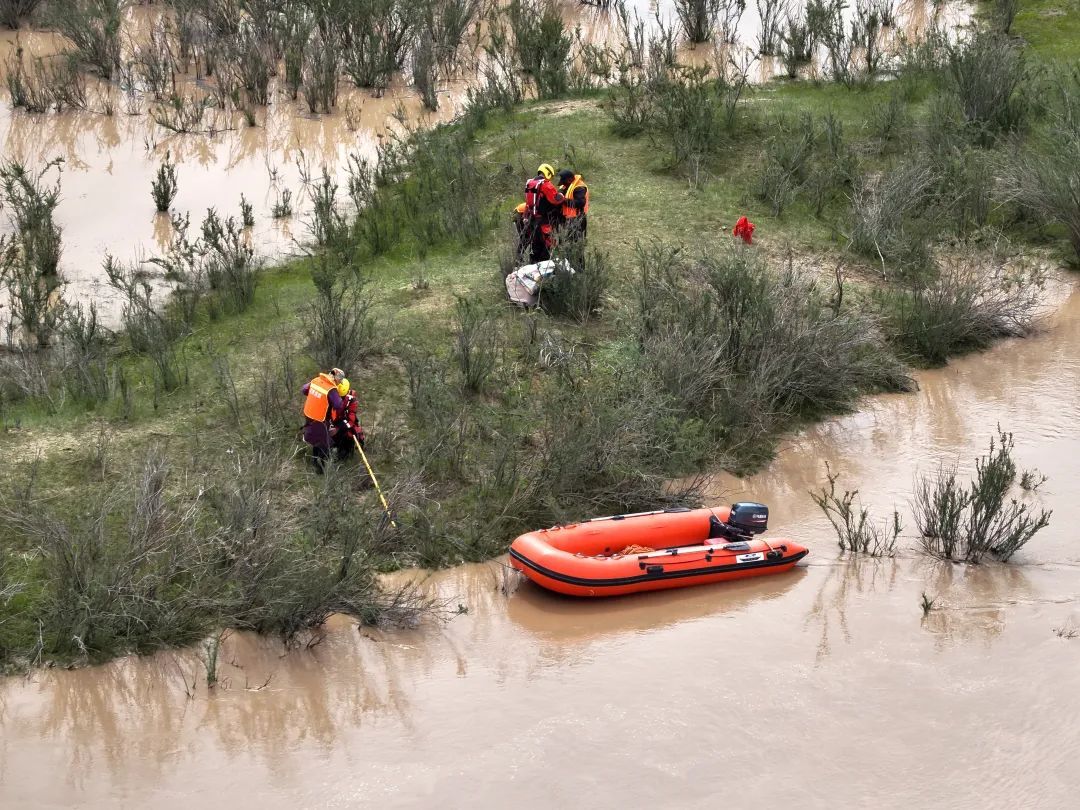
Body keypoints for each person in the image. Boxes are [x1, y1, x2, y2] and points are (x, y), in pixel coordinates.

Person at [301, 367, 345, 474]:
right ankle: (322, 469)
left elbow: (304, 389)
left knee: (316, 439)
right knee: (325, 444)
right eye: (339, 381)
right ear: (336, 379)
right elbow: (338, 405)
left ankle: (314, 461)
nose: (339, 383)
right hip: (319, 419)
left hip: (309, 415)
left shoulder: (316, 380)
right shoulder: (331, 389)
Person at [523, 163, 565, 263]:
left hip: (532, 220)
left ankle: (532, 269)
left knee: (535, 247)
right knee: (546, 247)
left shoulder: (530, 183)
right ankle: (543, 272)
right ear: (548, 173)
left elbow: (529, 203)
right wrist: (562, 194)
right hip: (544, 221)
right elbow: (555, 199)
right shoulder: (546, 185)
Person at [331, 378, 366, 461]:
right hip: (334, 420)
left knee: (349, 435)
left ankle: (344, 456)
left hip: (345, 422)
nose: (340, 398)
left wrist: (342, 427)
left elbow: (351, 418)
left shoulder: (351, 400)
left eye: (342, 396)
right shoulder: (332, 395)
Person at [556, 168, 589, 241]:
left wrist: (563, 200)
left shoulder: (579, 188)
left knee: (577, 242)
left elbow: (580, 203)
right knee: (566, 241)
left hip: (578, 219)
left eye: (563, 182)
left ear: (569, 180)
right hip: (567, 218)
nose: (562, 184)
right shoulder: (565, 185)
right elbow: (560, 192)